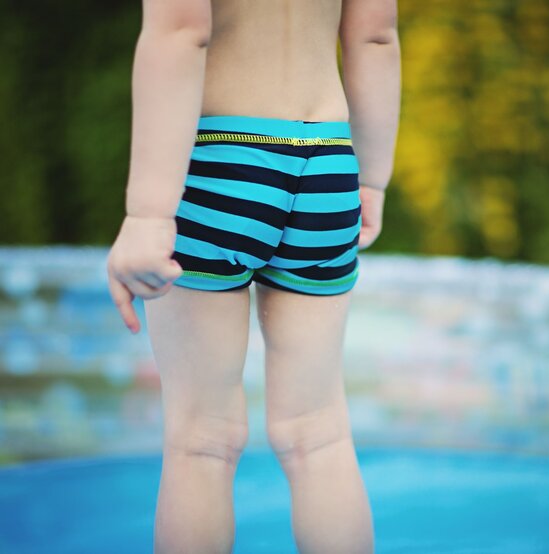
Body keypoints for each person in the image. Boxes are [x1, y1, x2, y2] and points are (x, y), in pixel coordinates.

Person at [105, 0, 400, 552]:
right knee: (320, 436)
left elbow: (182, 31)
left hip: (221, 156)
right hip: (328, 162)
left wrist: (148, 213)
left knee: (201, 441)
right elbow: (376, 36)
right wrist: (374, 177)